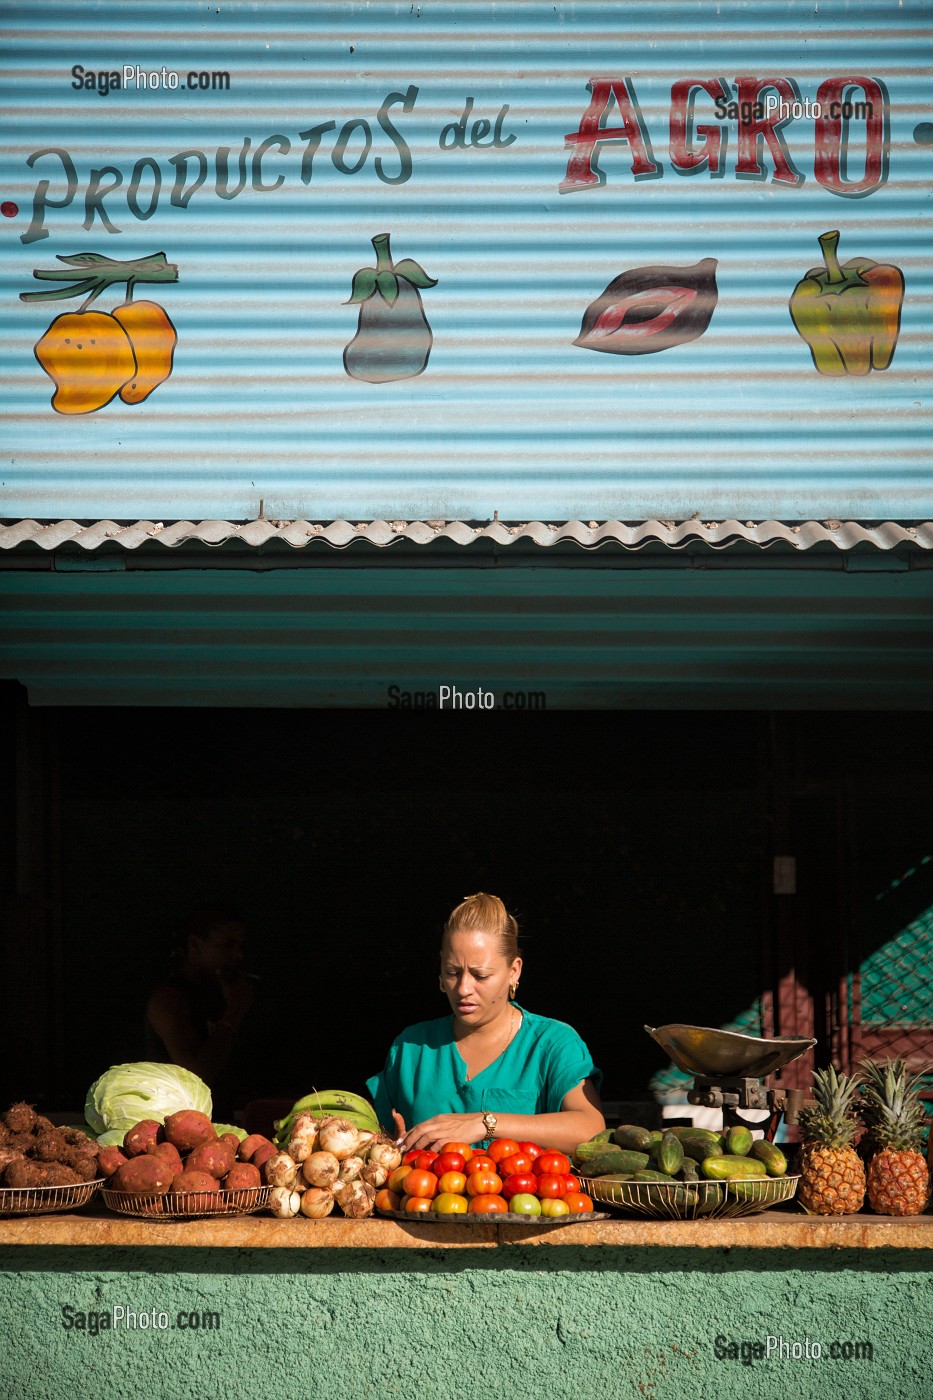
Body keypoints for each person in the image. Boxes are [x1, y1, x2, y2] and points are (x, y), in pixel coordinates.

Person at [366, 892, 605, 1155]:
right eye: (452, 973)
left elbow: (591, 1129)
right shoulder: (411, 1047)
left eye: (481, 975)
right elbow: (374, 1137)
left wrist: (486, 1123)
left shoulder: (552, 1043)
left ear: (514, 971)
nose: (463, 988)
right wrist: (391, 1146)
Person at [144, 906, 255, 1096]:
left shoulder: (225, 991)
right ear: (195, 944)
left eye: (241, 946)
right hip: (180, 1116)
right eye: (227, 945)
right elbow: (196, 1075)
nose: (238, 955)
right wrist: (234, 1012)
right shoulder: (169, 999)